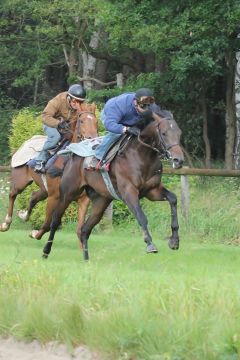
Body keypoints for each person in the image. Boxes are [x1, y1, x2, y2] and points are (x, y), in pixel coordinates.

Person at [88, 87, 161, 169]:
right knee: (116, 134)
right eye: (143, 107)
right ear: (135, 103)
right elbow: (110, 125)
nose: (146, 110)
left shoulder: (151, 105)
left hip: (132, 119)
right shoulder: (119, 105)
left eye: (148, 107)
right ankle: (97, 156)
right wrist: (126, 129)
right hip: (111, 117)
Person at [34, 84, 87, 173]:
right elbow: (45, 117)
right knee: (55, 137)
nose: (77, 104)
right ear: (69, 98)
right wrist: (58, 124)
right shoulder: (57, 101)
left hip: (66, 126)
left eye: (80, 102)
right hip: (50, 123)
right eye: (75, 101)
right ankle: (40, 160)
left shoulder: (79, 105)